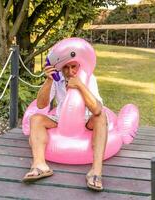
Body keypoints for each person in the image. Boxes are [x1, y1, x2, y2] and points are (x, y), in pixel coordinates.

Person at [22, 60, 108, 191]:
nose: (69, 71)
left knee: (101, 117)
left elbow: (97, 110)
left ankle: (96, 172)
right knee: (36, 119)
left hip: (86, 118)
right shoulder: (57, 78)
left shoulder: (89, 77)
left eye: (73, 67)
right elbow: (40, 105)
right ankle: (40, 165)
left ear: (79, 65)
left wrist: (80, 85)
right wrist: (49, 80)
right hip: (61, 119)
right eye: (65, 68)